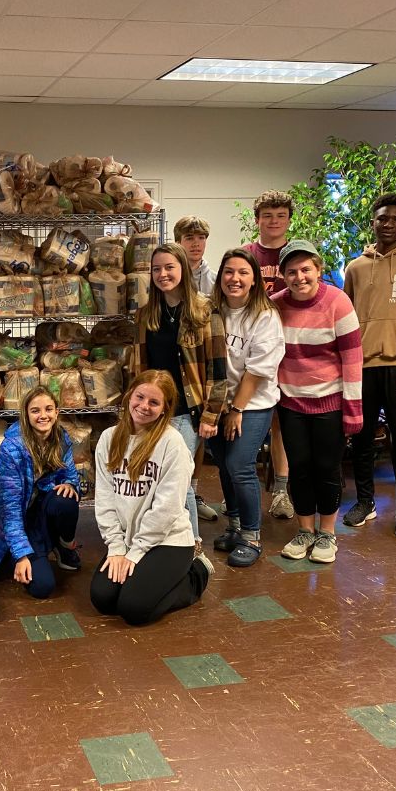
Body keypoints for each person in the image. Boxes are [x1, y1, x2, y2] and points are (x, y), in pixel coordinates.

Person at [90, 370, 212, 625]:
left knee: (134, 609)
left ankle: (196, 573)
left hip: (167, 539)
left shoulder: (172, 444)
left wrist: (135, 553)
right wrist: (116, 547)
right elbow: (104, 499)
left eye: (154, 402)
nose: (144, 406)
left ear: (165, 408)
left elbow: (165, 510)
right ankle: (150, 578)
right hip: (127, 537)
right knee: (103, 599)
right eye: (140, 397)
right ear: (129, 396)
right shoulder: (108, 439)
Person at [134, 242, 228, 554]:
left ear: (183, 270)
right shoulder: (146, 314)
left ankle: (193, 545)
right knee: (155, 476)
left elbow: (218, 368)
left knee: (178, 478)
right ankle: (162, 540)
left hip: (188, 412)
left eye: (169, 267)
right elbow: (140, 366)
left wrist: (211, 415)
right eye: (157, 269)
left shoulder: (204, 311)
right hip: (152, 410)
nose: (163, 274)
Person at [273, 240, 363, 563]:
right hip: (291, 404)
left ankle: (327, 534)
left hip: (330, 404)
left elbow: (353, 360)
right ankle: (305, 530)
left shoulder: (338, 302)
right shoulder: (275, 305)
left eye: (306, 270)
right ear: (283, 275)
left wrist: (353, 410)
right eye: (292, 272)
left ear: (318, 270)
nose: (299, 277)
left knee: (326, 468)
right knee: (299, 469)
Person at [343, 193, 396, 538]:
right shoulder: (356, 266)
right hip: (363, 367)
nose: (388, 224)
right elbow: (344, 319)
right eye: (382, 218)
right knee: (362, 440)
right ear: (373, 222)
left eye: (395, 218)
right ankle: (365, 502)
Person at [209, 248, 285, 567]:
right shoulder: (213, 311)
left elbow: (257, 371)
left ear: (255, 279)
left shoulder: (264, 316)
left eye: (243, 272)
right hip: (217, 403)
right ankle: (236, 526)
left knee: (240, 465)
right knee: (224, 464)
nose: (235, 278)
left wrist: (237, 410)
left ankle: (252, 536)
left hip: (252, 404)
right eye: (229, 272)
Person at [0, 386, 81, 599]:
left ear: (56, 412)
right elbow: (11, 509)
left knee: (66, 500)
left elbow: (71, 475)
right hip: (21, 517)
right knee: (42, 587)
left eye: (48, 409)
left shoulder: (61, 438)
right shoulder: (12, 448)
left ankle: (64, 546)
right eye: (35, 410)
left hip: (42, 509)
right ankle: (5, 550)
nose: (43, 415)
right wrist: (21, 556)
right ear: (26, 414)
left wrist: (70, 484)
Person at [244, 189, 295, 521]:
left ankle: (281, 491)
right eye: (268, 216)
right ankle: (241, 487)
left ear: (289, 220)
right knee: (250, 416)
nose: (274, 222)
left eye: (280, 216)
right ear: (257, 219)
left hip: (292, 348)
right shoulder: (247, 254)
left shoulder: (297, 253)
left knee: (282, 422)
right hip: (254, 347)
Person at [174, 215, 218, 523]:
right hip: (174, 364)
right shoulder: (170, 272)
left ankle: (194, 491)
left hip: (199, 363)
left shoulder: (212, 279)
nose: (196, 244)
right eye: (190, 238)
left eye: (200, 238)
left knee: (196, 434)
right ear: (179, 241)